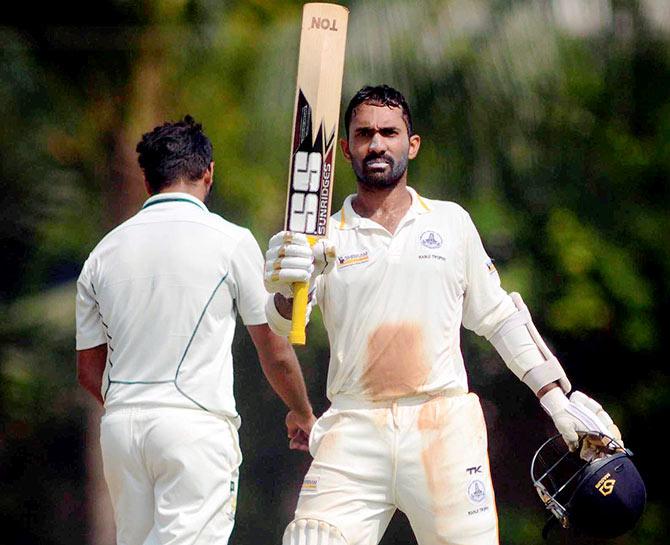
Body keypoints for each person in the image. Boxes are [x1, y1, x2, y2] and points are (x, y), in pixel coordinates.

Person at [263, 86, 622, 545]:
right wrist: (285, 283)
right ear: (346, 148)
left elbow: (499, 317)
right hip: (355, 425)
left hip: (442, 425)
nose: (377, 144)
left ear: (411, 144)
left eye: (389, 132)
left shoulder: (450, 223)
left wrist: (556, 399)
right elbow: (285, 322)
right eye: (364, 133)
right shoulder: (324, 238)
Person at [75, 115, 316, 545]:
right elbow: (274, 350)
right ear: (208, 172)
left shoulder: (101, 254)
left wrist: (136, 403)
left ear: (148, 181)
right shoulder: (230, 240)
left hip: (122, 432)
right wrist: (302, 411)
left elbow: (89, 371)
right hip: (194, 427)